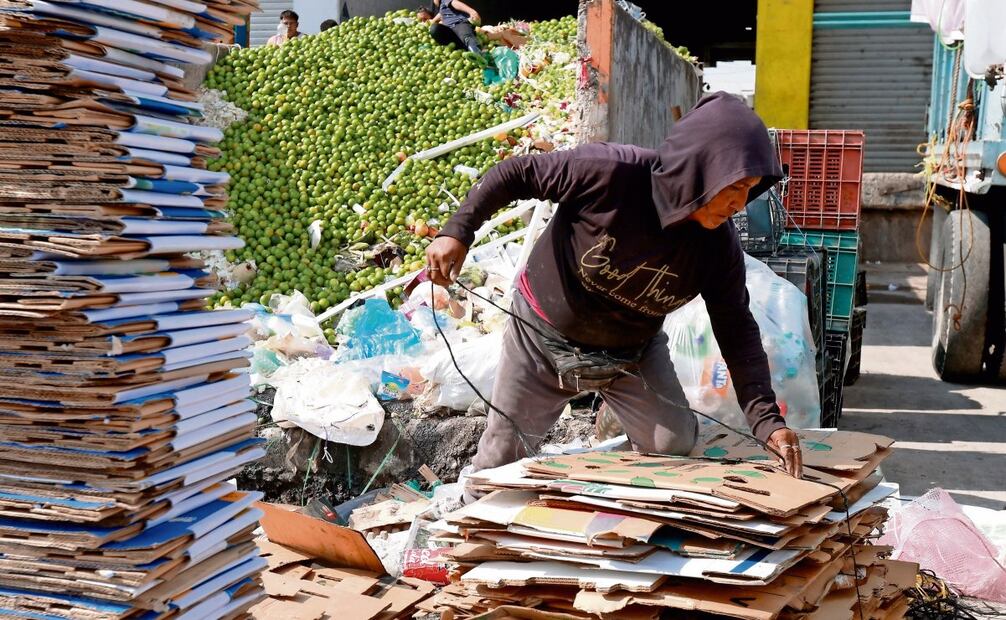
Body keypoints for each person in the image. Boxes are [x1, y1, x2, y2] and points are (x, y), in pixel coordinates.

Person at [425, 92, 804, 479]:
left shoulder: (718, 246)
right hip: (542, 338)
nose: (740, 204)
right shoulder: (611, 173)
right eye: (734, 187)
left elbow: (737, 328)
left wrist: (767, 423)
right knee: (500, 460)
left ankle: (614, 410)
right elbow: (516, 173)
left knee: (672, 446)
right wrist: (457, 232)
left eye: (749, 190)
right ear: (702, 167)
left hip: (631, 352)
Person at [416, 1, 482, 55]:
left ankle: (477, 53)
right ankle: (462, 48)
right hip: (452, 34)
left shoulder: (444, 1)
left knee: (466, 36)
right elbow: (440, 14)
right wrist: (431, 22)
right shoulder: (442, 8)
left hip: (459, 24)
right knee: (434, 28)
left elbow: (455, 3)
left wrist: (471, 12)